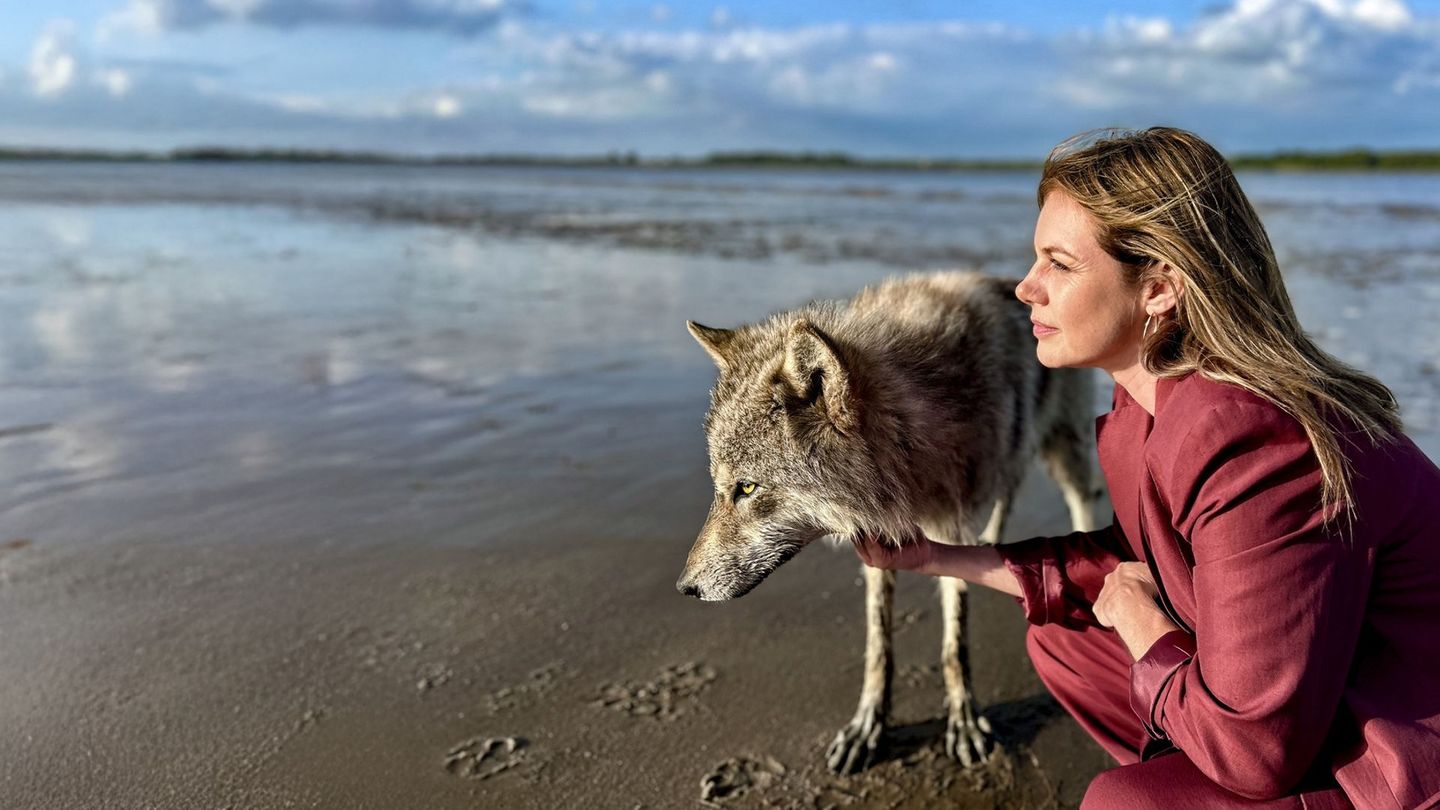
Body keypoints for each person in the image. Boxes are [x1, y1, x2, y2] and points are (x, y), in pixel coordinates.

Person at [851, 127, 1440, 809]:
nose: (1025, 288)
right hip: (1311, 700)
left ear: (1159, 288)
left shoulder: (1251, 441)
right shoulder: (1152, 397)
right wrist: (936, 558)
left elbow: (1256, 756)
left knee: (1124, 803)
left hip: (1396, 760)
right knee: (1066, 641)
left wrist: (1143, 628)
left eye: (1058, 264)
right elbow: (1144, 561)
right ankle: (1188, 751)